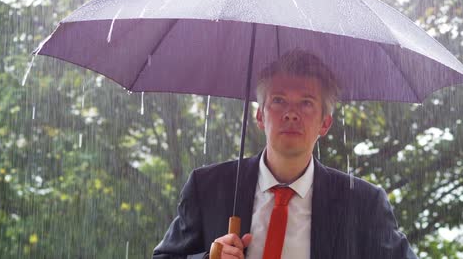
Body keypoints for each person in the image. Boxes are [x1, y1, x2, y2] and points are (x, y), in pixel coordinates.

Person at [153, 50, 417, 259]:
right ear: (259, 115)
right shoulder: (209, 186)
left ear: (325, 123)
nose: (291, 113)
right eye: (278, 100)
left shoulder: (362, 203)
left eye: (306, 103)